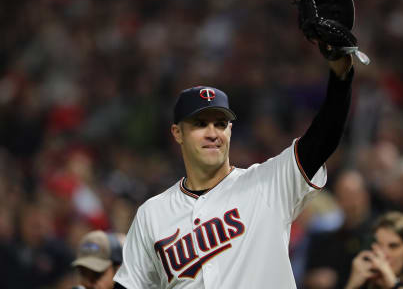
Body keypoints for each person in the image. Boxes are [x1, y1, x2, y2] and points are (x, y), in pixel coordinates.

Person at [112, 34, 356, 286]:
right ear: (177, 133)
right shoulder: (152, 214)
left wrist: (341, 75)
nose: (212, 133)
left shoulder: (267, 184)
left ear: (230, 130)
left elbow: (323, 138)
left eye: (220, 124)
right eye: (200, 124)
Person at [303, 169, 375, 289]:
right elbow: (307, 275)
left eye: (353, 194)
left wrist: (337, 280)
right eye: (343, 195)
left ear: (365, 195)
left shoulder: (378, 235)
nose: (349, 201)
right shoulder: (324, 239)